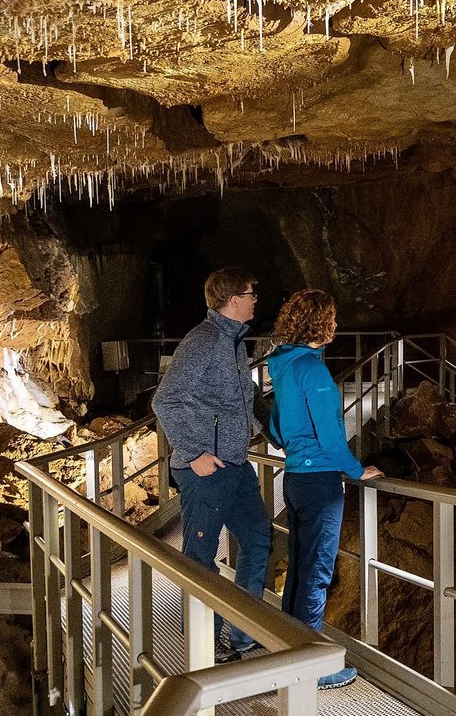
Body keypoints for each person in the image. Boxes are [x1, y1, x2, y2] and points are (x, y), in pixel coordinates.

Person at [152, 267, 273, 661]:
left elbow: (238, 397)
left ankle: (241, 633)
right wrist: (192, 454)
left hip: (235, 465)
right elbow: (165, 400)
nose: (257, 298)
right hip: (208, 470)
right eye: (252, 292)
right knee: (201, 559)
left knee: (257, 539)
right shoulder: (203, 341)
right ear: (233, 299)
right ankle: (204, 646)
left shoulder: (235, 342)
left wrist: (260, 426)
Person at [263, 289, 382, 690]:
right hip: (320, 481)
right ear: (323, 324)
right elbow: (331, 436)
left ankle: (289, 648)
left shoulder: (283, 365)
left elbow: (277, 423)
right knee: (316, 573)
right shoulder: (312, 371)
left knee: (298, 568)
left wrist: (291, 445)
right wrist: (356, 469)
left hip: (295, 478)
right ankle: (310, 668)